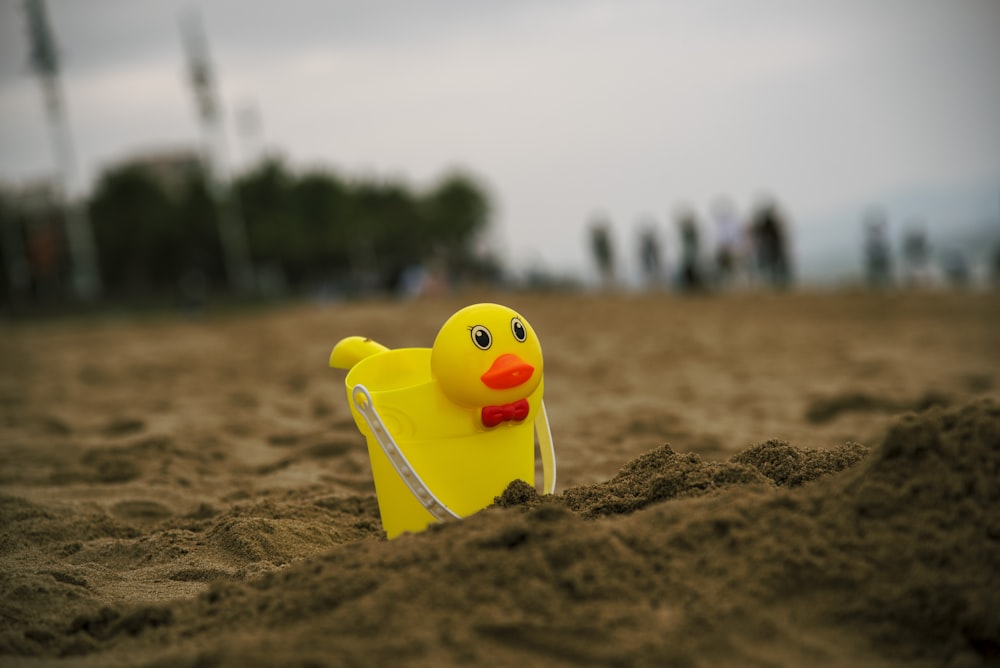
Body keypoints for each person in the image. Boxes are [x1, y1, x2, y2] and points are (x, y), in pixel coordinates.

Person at [863, 208, 892, 290]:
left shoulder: (877, 236)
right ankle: (874, 287)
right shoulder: (872, 237)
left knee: (884, 274)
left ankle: (884, 286)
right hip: (875, 258)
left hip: (880, 258)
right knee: (874, 275)